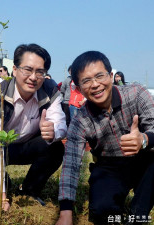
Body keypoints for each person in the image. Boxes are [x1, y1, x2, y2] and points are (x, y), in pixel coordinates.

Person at [56, 51, 154, 225]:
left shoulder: (136, 93)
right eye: (86, 81)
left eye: (100, 76)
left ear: (110, 76)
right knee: (102, 210)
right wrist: (65, 212)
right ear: (78, 89)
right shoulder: (80, 120)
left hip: (144, 159)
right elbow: (71, 164)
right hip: (109, 166)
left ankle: (138, 215)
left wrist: (144, 139)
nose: (95, 85)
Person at [0, 43, 67, 211]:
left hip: (29, 144)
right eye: (27, 69)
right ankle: (2, 183)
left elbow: (60, 123)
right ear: (14, 70)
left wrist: (53, 131)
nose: (33, 77)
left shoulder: (51, 92)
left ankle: (29, 190)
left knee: (56, 148)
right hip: (0, 144)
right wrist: (2, 197)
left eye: (40, 72)